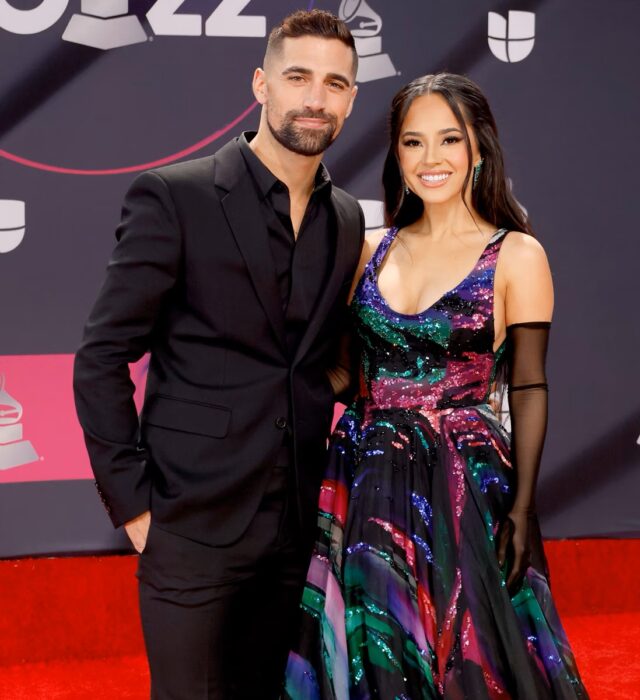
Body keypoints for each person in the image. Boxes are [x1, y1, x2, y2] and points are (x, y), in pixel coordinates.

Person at [72, 10, 364, 699]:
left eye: (335, 83)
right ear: (262, 84)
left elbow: (320, 361)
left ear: (352, 99)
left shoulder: (348, 218)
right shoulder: (176, 196)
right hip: (191, 527)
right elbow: (101, 356)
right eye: (298, 77)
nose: (315, 99)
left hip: (296, 530)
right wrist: (138, 510)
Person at [284, 73, 589, 699]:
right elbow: (345, 375)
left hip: (466, 482)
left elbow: (530, 385)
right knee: (377, 635)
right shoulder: (368, 250)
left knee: (471, 642)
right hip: (368, 475)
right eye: (413, 142)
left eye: (449, 140)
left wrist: (524, 507)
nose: (431, 159)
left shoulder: (517, 255)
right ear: (395, 154)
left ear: (478, 148)